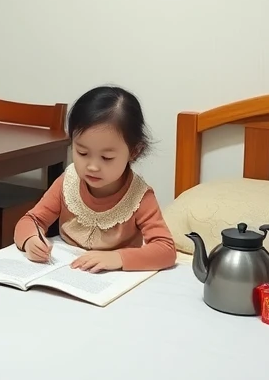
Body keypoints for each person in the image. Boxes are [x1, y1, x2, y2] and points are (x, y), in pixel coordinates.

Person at [13, 86, 177, 273]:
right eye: (82, 152)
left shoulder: (139, 197)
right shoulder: (69, 181)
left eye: (106, 158)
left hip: (113, 279)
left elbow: (166, 250)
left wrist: (117, 258)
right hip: (65, 270)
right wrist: (31, 240)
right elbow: (31, 220)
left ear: (134, 152)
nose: (92, 166)